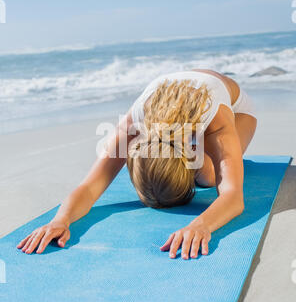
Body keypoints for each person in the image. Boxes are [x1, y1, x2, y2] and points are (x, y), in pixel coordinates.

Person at [17, 69, 257, 259]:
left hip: (237, 109)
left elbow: (233, 197)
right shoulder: (133, 122)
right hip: (182, 98)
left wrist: (200, 226)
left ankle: (198, 156)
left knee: (208, 178)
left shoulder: (217, 119)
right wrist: (60, 220)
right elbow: (90, 186)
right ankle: (193, 148)